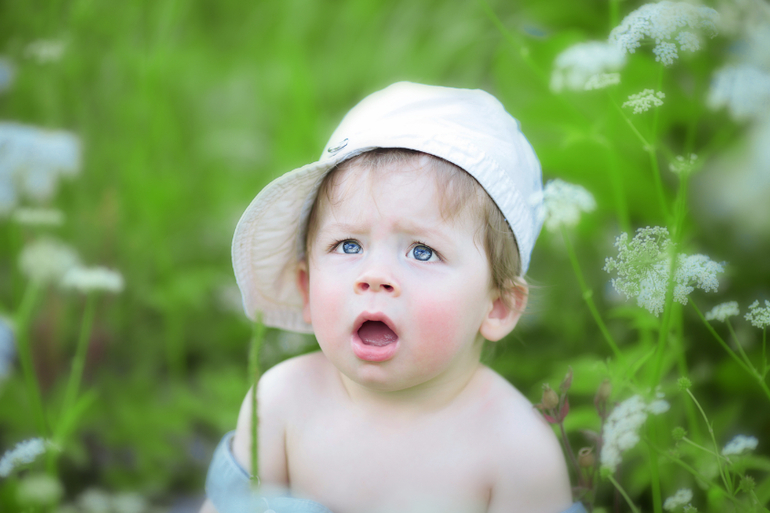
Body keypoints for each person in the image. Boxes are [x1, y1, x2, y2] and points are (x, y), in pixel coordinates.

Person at [200, 82, 586, 513]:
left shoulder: (517, 453)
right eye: (348, 245)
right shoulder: (280, 403)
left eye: (422, 252)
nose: (375, 276)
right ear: (307, 287)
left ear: (497, 306)